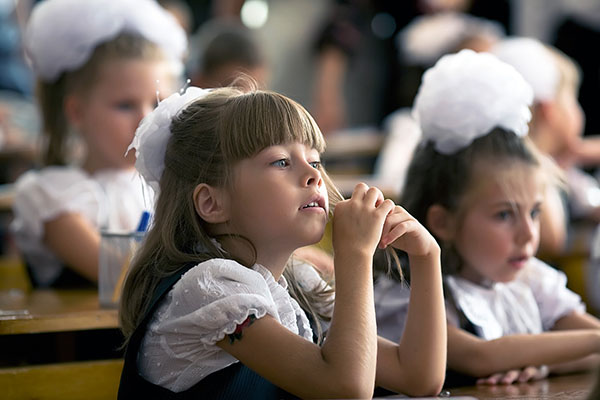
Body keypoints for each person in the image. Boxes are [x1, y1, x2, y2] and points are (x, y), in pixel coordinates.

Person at [117, 82, 447, 398]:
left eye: (315, 160)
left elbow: (417, 377)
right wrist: (355, 255)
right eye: (281, 162)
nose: (315, 175)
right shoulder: (208, 290)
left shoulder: (296, 283)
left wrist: (427, 256)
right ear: (212, 204)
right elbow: (345, 390)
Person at [374, 50, 600, 388]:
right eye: (505, 215)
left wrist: (542, 366)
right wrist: (552, 354)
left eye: (535, 212)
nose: (528, 235)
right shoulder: (410, 293)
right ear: (444, 222)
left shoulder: (530, 279)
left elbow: (592, 343)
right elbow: (483, 356)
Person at [10, 0, 186, 287]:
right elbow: (121, 276)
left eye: (157, 103)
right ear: (77, 112)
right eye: (125, 105)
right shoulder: (51, 196)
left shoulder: (167, 188)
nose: (146, 120)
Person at [492, 37, 600, 255]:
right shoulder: (523, 168)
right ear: (547, 109)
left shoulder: (559, 166)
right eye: (572, 99)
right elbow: (553, 239)